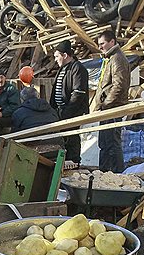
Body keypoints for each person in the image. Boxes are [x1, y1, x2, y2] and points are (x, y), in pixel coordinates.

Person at [96, 29, 130, 172]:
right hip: (108, 108)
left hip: (113, 108)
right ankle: (104, 172)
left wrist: (106, 103)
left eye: (102, 43)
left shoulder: (117, 58)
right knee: (105, 143)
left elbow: (119, 85)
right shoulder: (111, 58)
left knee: (111, 144)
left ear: (112, 42)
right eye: (99, 44)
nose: (100, 47)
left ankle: (115, 174)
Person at [50, 40, 89, 167]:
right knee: (63, 141)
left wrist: (66, 112)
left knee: (72, 139)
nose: (55, 60)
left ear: (65, 55)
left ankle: (74, 164)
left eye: (57, 56)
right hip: (60, 112)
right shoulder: (62, 69)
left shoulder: (77, 68)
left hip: (72, 113)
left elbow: (78, 93)